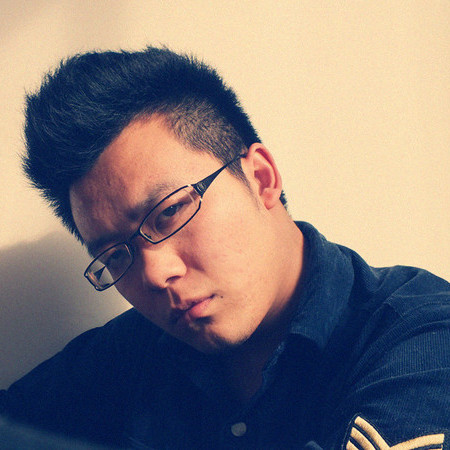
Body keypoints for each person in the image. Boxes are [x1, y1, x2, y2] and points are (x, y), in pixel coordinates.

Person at [1, 46, 449, 449]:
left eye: (169, 212)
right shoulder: (129, 355)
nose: (155, 274)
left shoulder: (420, 337)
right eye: (117, 255)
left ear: (261, 178)